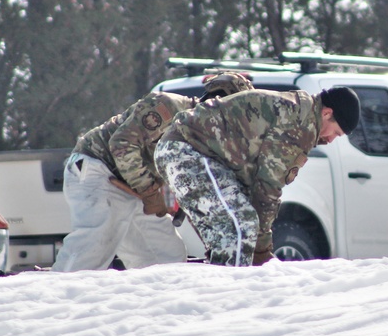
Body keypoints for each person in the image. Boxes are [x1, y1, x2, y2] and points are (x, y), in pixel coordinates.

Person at [51, 72, 254, 272]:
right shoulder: (167, 106)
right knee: (93, 246)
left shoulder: (204, 138)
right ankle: (58, 297)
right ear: (218, 101)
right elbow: (122, 145)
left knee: (167, 256)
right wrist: (150, 194)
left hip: (134, 188)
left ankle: (160, 304)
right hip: (98, 170)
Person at [154, 86, 360, 267]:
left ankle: (224, 286)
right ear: (326, 113)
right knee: (239, 225)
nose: (331, 140)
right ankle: (228, 295)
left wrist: (259, 245)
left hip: (195, 153)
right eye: (336, 132)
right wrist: (262, 250)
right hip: (186, 149)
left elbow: (251, 182)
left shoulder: (302, 112)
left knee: (236, 230)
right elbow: (267, 189)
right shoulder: (298, 123)